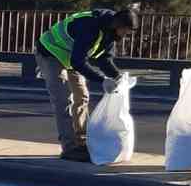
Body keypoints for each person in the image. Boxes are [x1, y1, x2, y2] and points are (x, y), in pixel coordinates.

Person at [35, 8, 138, 161]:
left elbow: (104, 59)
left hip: (70, 56)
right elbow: (78, 62)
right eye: (124, 30)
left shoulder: (110, 33)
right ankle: (70, 148)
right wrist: (102, 80)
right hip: (50, 53)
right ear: (117, 24)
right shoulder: (90, 26)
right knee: (64, 100)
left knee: (82, 97)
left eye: (128, 32)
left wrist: (117, 76)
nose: (124, 35)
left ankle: (82, 142)